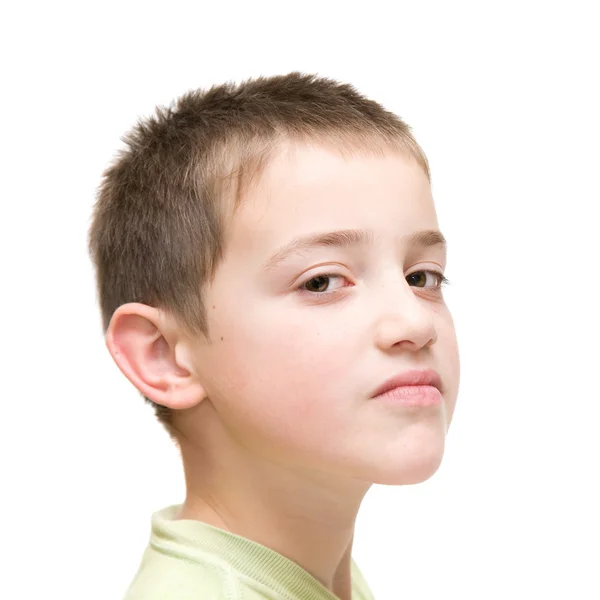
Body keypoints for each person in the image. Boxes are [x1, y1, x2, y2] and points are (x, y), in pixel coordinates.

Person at [88, 72, 461, 600]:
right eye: (322, 281)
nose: (415, 323)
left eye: (421, 277)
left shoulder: (317, 579)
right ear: (165, 356)